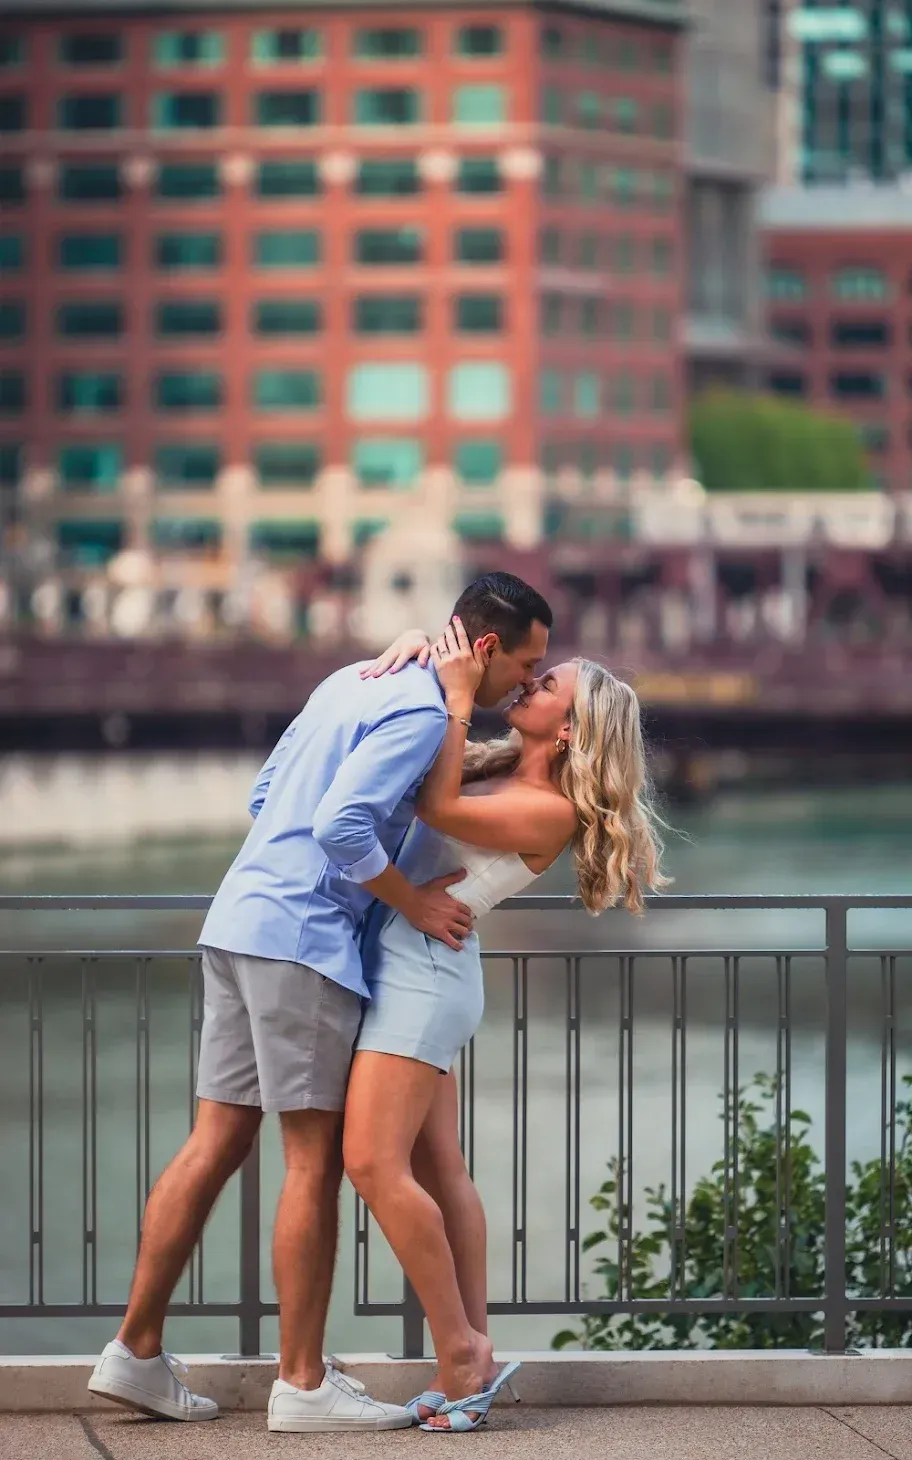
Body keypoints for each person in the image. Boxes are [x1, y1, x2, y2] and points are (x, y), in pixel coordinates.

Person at [87, 572, 552, 1432]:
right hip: (302, 942)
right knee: (313, 1162)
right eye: (524, 666)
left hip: (236, 920)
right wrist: (407, 901)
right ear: (483, 648)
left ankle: (136, 1352)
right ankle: (301, 1384)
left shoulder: (353, 678)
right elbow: (342, 826)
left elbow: (267, 798)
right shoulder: (419, 714)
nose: (525, 684)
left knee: (215, 1140)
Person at [343, 618, 668, 1433]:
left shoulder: (546, 809)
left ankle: (460, 1356)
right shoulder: (506, 773)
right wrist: (408, 657)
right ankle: (471, 1355)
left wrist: (456, 695)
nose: (530, 682)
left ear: (569, 730)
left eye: (548, 682)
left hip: (422, 976)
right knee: (439, 1168)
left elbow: (432, 800)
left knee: (372, 1165)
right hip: (424, 964)